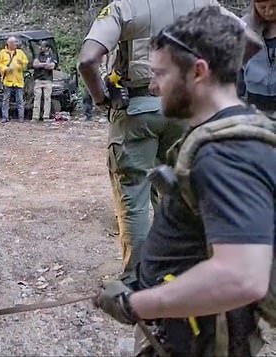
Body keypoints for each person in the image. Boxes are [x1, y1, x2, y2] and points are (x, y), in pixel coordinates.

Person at [93, 6, 274, 356]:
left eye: (161, 73)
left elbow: (242, 277)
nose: (153, 84)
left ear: (198, 72)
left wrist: (138, 305)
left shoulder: (225, 155)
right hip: (189, 329)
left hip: (204, 340)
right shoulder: (222, 134)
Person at [77, 0, 244, 281]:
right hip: (187, 111)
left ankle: (138, 279)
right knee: (183, 193)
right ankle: (186, 271)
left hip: (138, 110)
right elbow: (246, 36)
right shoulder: (204, 4)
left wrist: (101, 98)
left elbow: (87, 60)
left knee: (134, 197)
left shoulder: (124, 7)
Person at [238, 0, 276, 115]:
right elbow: (238, 65)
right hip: (255, 99)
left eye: (274, 6)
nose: (269, 12)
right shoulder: (244, 27)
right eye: (263, 7)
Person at [0, 36, 28, 122]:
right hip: (8, 80)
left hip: (18, 80)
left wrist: (22, 64)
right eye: (14, 43)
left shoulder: (20, 53)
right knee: (6, 100)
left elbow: (26, 63)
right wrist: (5, 69)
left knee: (20, 100)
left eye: (16, 42)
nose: (16, 44)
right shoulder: (2, 53)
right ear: (9, 44)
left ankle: (21, 118)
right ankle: (5, 117)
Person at [31, 40, 56, 122]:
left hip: (48, 80)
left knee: (47, 98)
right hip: (38, 80)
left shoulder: (52, 56)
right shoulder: (37, 55)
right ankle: (35, 117)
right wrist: (45, 64)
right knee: (37, 98)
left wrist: (41, 65)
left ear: (47, 48)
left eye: (42, 46)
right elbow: (35, 64)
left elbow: (52, 66)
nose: (40, 48)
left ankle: (46, 117)